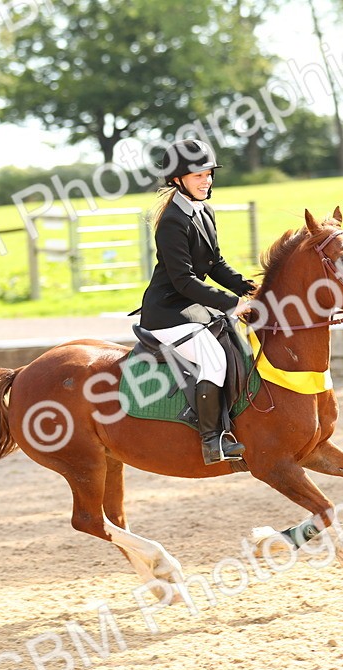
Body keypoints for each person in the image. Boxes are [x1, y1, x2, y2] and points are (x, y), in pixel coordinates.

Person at [136, 139, 256, 465]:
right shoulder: (172, 220)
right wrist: (232, 304)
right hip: (167, 312)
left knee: (237, 345)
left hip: (191, 306)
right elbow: (184, 281)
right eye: (197, 176)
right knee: (214, 360)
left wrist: (250, 288)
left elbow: (216, 264)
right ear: (177, 180)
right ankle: (211, 438)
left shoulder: (204, 210)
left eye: (208, 174)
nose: (206, 181)